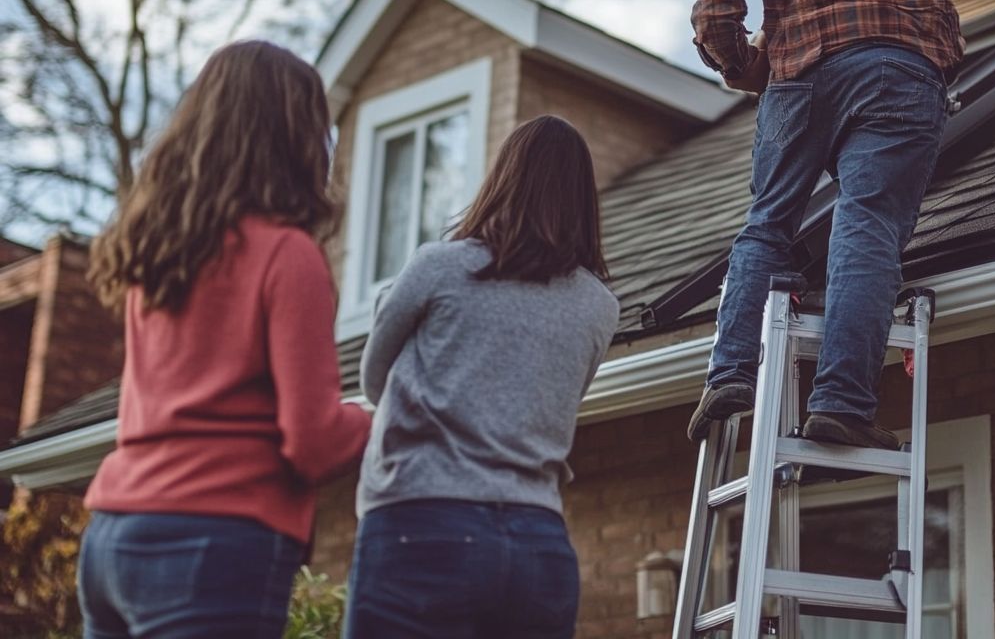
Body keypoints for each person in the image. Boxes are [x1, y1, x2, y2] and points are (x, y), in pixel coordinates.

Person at [687, 0, 964, 449]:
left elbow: (715, 14)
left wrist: (750, 69)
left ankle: (730, 373)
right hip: (901, 65)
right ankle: (841, 402)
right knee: (866, 227)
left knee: (767, 224)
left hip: (801, 74)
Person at [80, 41, 372, 639]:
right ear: (297, 137)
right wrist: (385, 415)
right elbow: (312, 440)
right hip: (212, 541)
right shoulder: (288, 255)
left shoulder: (159, 256)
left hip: (112, 535)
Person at [345, 115, 620, 639]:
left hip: (422, 526)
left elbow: (374, 379)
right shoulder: (599, 307)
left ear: (502, 180)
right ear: (583, 200)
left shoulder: (438, 267)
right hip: (539, 544)